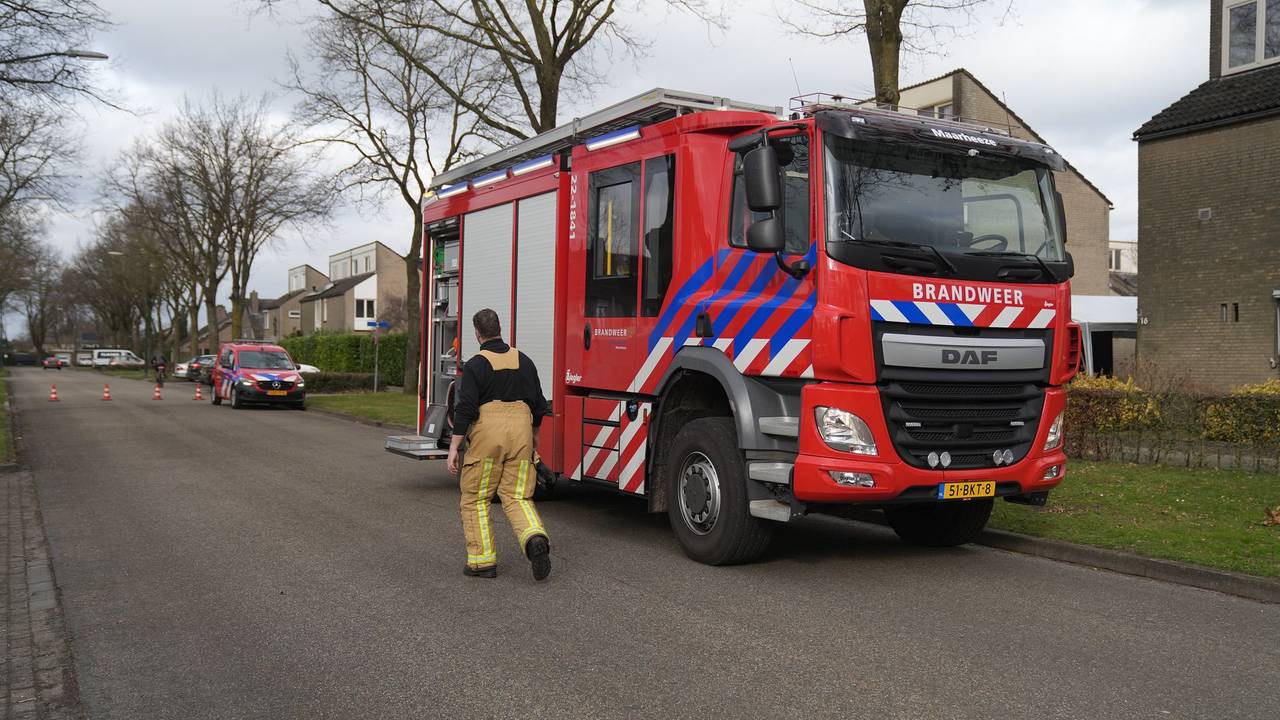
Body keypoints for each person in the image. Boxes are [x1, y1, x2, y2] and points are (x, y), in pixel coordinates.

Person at [447, 309, 552, 581]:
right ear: (500, 329)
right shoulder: (525, 361)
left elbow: (466, 408)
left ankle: (482, 562)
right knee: (518, 496)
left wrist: (453, 448)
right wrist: (535, 435)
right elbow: (540, 404)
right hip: (521, 431)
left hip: (488, 433)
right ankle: (534, 538)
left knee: (476, 497)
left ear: (477, 333)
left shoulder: (476, 365)